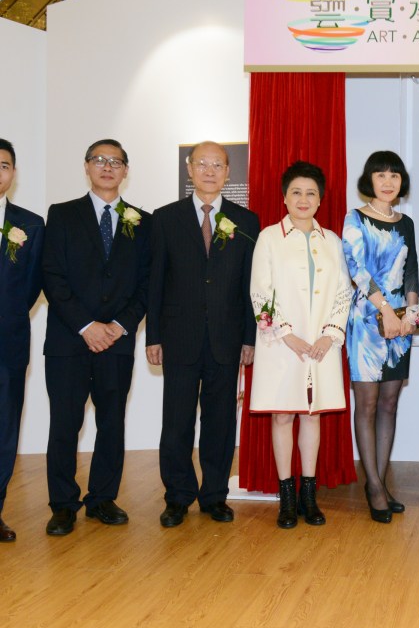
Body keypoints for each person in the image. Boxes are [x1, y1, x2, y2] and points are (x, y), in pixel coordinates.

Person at [146, 141, 259, 528]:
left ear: (228, 172)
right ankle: (177, 496)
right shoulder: (165, 218)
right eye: (203, 164)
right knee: (176, 422)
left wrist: (249, 338)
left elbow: (251, 286)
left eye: (218, 165)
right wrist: (153, 336)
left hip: (227, 339)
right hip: (179, 337)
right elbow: (155, 282)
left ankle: (214, 495)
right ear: (189, 168)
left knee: (220, 422)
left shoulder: (246, 221)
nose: (210, 171)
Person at [41, 139, 150, 536]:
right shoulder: (62, 214)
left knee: (111, 423)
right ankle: (62, 504)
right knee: (64, 424)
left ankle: (102, 498)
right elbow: (52, 276)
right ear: (86, 167)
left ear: (126, 171)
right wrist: (87, 326)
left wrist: (119, 326)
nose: (107, 167)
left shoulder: (143, 222)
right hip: (69, 341)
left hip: (117, 343)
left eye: (115, 162)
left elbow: (147, 284)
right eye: (99, 160)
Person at [250, 161, 352, 528]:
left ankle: (309, 496)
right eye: (296, 192)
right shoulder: (269, 237)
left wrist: (330, 333)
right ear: (284, 197)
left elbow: (343, 292)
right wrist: (287, 333)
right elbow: (260, 291)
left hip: (321, 345)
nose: (303, 199)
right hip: (281, 343)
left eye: (311, 193)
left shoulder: (332, 241)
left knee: (313, 414)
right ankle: (287, 497)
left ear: (320, 199)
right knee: (282, 415)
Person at [343, 151, 419, 523]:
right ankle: (373, 486)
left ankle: (382, 482)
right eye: (380, 175)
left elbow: (412, 271)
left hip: (400, 325)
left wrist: (412, 312)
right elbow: (356, 269)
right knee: (368, 405)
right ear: (369, 180)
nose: (388, 182)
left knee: (390, 403)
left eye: (394, 175)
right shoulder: (354, 218)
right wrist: (386, 310)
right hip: (365, 322)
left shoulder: (407, 223)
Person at [0, 139, 44, 542]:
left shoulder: (29, 224)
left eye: (4, 165)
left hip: (8, 343)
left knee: (4, 429)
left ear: (13, 173)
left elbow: (31, 287)